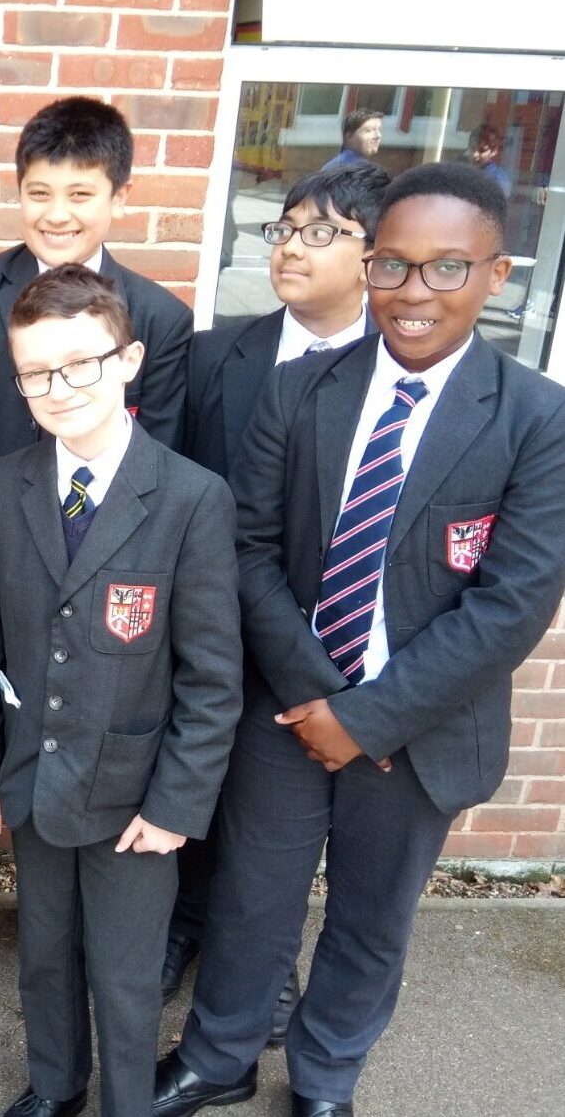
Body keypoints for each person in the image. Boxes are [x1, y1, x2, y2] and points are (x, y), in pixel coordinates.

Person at [155, 162, 565, 1117]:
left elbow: (512, 603)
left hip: (423, 722)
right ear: (370, 265)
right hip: (292, 705)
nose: (414, 292)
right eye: (393, 265)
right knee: (252, 895)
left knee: (372, 915)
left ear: (496, 275)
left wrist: (371, 716)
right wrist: (319, 696)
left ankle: (326, 1075)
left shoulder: (537, 418)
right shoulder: (301, 390)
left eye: (446, 268)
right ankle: (219, 1057)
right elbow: (247, 548)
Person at [0, 95, 194, 979]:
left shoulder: (157, 316)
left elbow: (158, 464)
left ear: (119, 196)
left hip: (100, 576)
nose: (58, 213)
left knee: (84, 735)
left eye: (80, 192)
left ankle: (78, 916)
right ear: (18, 191)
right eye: (40, 191)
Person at [0, 264, 243, 1117]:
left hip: (133, 795)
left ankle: (126, 1102)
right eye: (36, 373)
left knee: (124, 972)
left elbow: (212, 677)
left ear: (129, 360)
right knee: (44, 953)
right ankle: (55, 1086)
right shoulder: (4, 484)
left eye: (81, 363)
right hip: (34, 776)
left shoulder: (191, 498)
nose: (60, 388)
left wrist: (178, 803)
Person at [170, 161, 389, 1020]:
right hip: (215, 619)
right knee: (203, 780)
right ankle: (185, 924)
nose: (292, 246)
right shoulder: (215, 355)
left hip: (325, 646)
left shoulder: (394, 370)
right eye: (284, 229)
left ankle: (267, 955)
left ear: (375, 255)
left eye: (320, 232)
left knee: (283, 825)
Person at [463, 122, 512, 198]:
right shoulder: (463, 169)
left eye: (482, 150)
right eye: (473, 148)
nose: (475, 154)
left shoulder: (499, 178)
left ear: (494, 151)